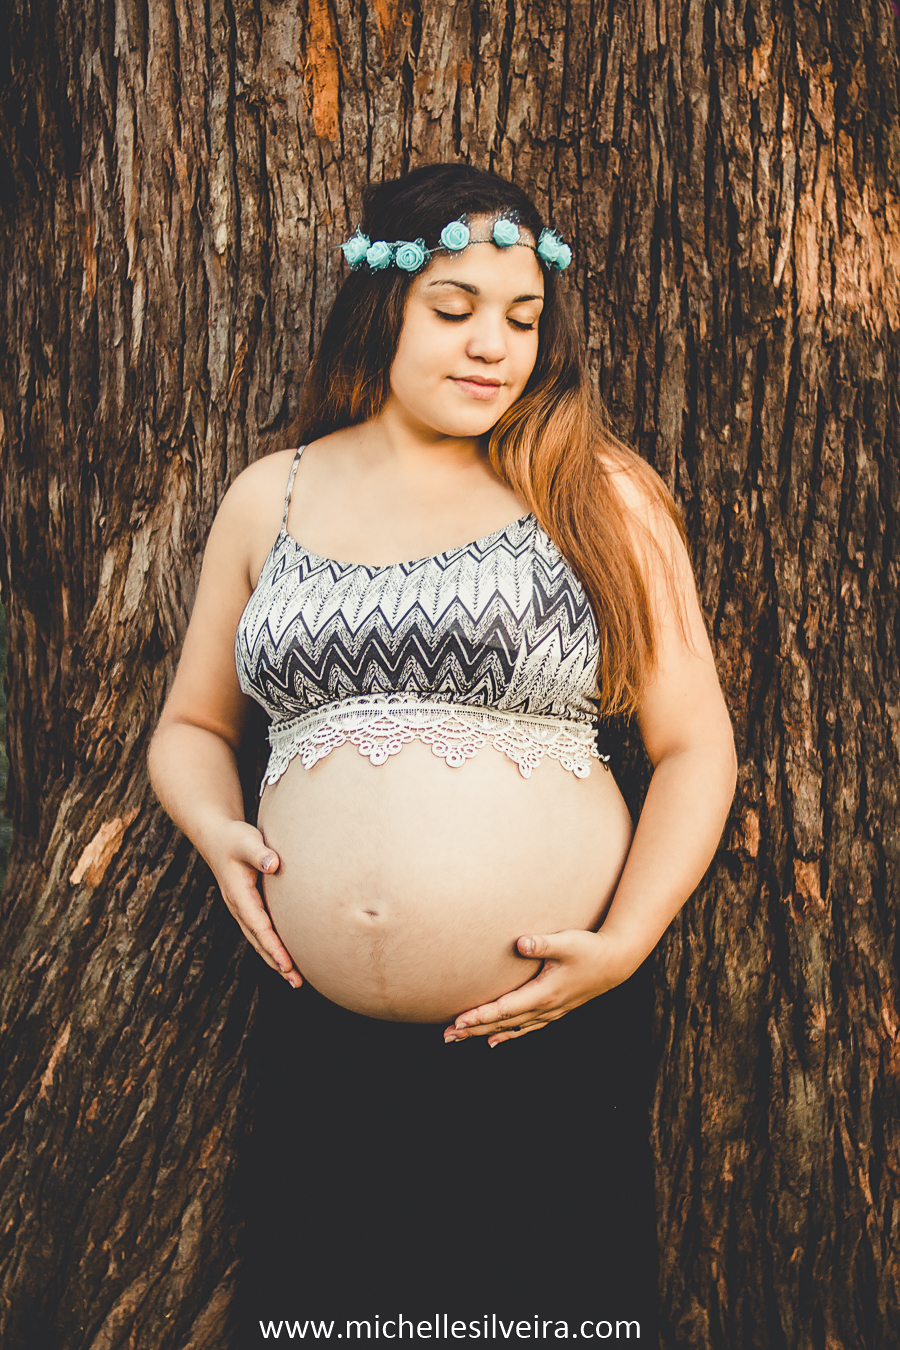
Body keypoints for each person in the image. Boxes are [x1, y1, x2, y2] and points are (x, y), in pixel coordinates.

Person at [148, 163, 737, 1337]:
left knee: (545, 1313)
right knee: (336, 1314)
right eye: (455, 310)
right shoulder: (275, 495)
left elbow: (695, 747)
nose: (494, 348)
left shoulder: (597, 492)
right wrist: (218, 835)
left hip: (548, 1018)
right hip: (321, 1035)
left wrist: (623, 946)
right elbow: (193, 726)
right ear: (384, 309)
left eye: (522, 320)